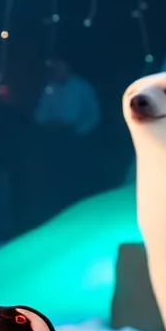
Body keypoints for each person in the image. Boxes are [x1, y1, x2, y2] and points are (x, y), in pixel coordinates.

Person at [29, 56, 102, 225]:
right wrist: (49, 124)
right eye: (54, 68)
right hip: (54, 138)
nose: (56, 71)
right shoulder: (50, 88)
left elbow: (93, 113)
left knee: (75, 176)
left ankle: (77, 211)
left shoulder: (82, 87)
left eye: (59, 67)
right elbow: (40, 113)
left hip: (75, 138)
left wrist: (79, 131)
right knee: (55, 178)